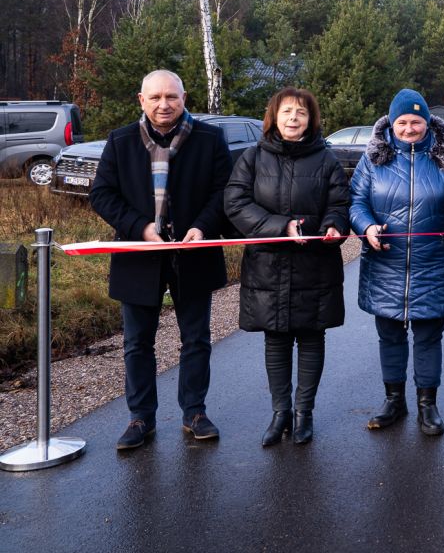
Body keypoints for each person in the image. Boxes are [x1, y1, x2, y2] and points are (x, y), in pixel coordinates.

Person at [90, 69, 232, 450]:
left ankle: (195, 413)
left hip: (193, 252)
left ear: (185, 98)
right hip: (139, 255)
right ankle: (140, 418)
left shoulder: (209, 139)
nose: (163, 104)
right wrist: (140, 228)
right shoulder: (120, 141)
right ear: (141, 100)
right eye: (155, 98)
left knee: (197, 340)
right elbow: (102, 195)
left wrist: (202, 226)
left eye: (171, 96)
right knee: (137, 343)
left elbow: (224, 192)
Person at [224, 87, 350, 447]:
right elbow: (235, 203)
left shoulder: (327, 160)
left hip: (315, 264)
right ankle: (280, 413)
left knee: (312, 337)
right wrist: (281, 226)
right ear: (273, 117)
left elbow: (340, 203)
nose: (294, 118)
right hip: (268, 264)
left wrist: (334, 226)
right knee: (276, 338)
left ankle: (303, 412)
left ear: (311, 120)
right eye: (287, 112)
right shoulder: (251, 158)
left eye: (301, 113)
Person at [350, 89, 444, 434]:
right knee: (389, 336)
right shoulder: (373, 158)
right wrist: (366, 226)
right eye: (402, 122)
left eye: (415, 121)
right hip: (384, 263)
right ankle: (393, 402)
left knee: (429, 337)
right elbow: (357, 201)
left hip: (434, 263)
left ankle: (427, 405)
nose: (409, 128)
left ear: (427, 123)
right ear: (391, 122)